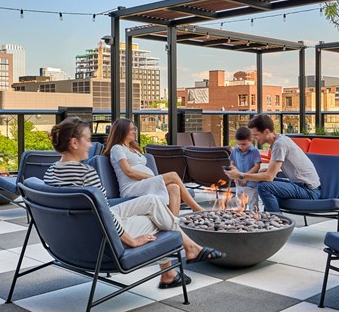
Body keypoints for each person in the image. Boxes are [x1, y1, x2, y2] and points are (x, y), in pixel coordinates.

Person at [43, 117, 223, 289]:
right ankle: (179, 261)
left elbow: (101, 209)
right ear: (74, 143)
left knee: (153, 203)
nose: (90, 145)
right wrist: (132, 241)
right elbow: (105, 215)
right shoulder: (86, 173)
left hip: (73, 238)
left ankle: (186, 254)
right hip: (100, 239)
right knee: (158, 220)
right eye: (87, 140)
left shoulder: (50, 172)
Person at [103, 118, 204, 213]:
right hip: (132, 187)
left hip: (144, 184)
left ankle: (173, 223)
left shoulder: (133, 148)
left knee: (174, 187)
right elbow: (129, 172)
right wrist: (152, 177)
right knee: (173, 175)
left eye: (134, 129)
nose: (134, 132)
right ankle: (196, 208)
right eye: (131, 129)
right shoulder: (117, 148)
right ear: (122, 131)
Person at [226, 113, 320, 214]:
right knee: (262, 181)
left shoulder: (280, 145)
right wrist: (258, 172)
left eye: (256, 135)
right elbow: (273, 170)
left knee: (264, 186)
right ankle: (268, 215)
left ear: (266, 131)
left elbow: (269, 176)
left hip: (308, 191)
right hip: (300, 185)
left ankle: (276, 219)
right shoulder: (279, 141)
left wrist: (241, 175)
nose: (254, 138)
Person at [229, 126, 262, 208]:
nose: (241, 146)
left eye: (243, 144)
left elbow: (257, 166)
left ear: (251, 140)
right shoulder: (235, 150)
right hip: (239, 184)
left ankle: (254, 219)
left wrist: (246, 176)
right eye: (238, 144)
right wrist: (235, 175)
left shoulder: (254, 151)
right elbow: (232, 164)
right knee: (239, 206)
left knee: (252, 205)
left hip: (251, 184)